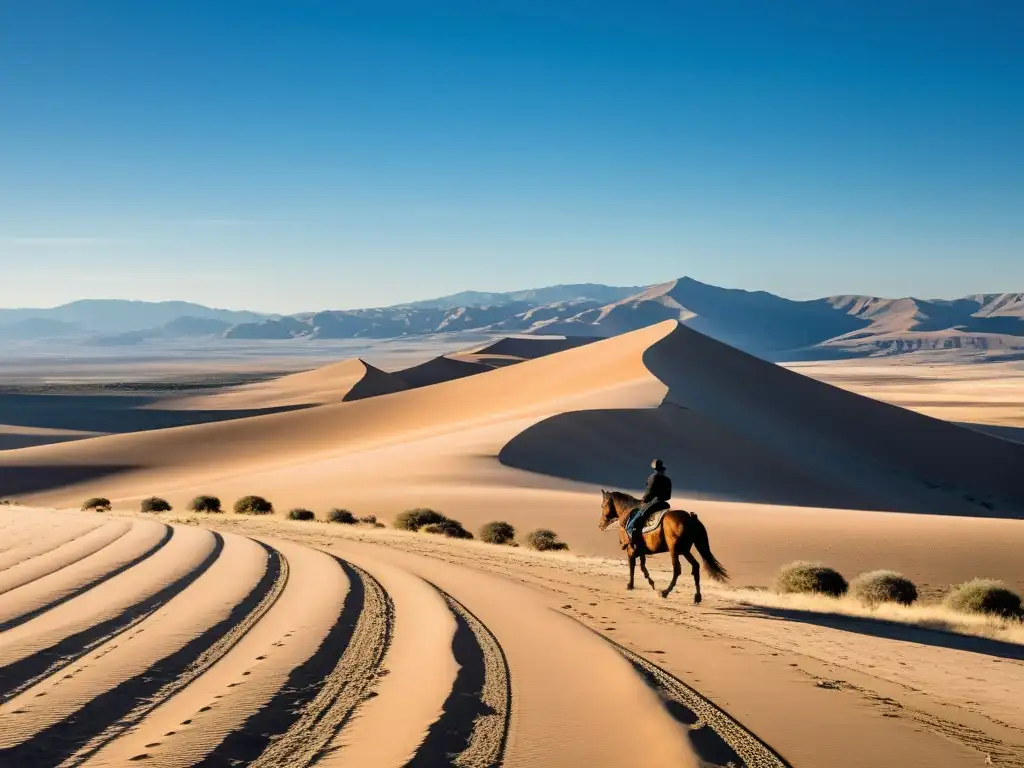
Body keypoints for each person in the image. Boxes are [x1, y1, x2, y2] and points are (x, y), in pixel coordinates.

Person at [625, 459, 672, 552]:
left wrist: (644, 500)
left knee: (635, 521)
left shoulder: (652, 478)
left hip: (653, 504)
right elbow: (668, 496)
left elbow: (648, 493)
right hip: (664, 504)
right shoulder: (667, 480)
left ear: (654, 468)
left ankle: (634, 542)